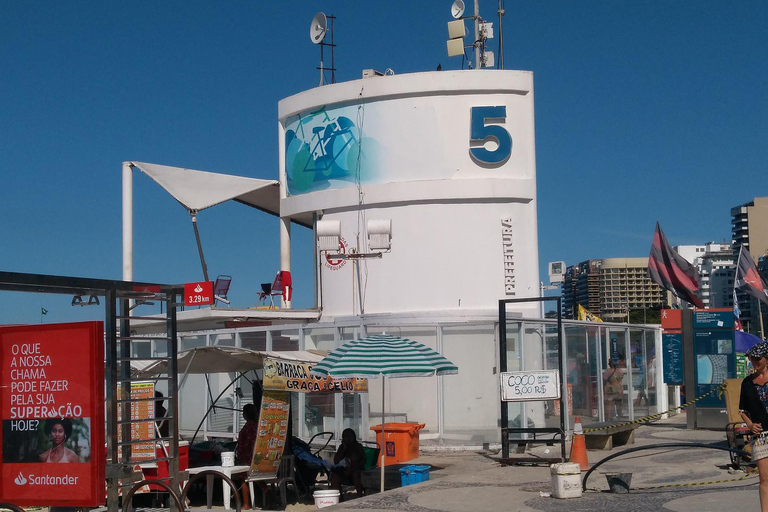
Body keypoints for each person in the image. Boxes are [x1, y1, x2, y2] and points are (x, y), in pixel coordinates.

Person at [740, 341, 768, 512]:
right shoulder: (747, 383)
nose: (755, 362)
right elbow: (742, 409)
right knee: (764, 477)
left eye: (758, 359)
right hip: (760, 435)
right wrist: (750, 424)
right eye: (752, 359)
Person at [234, 403, 261, 510]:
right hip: (258, 458)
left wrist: (242, 459)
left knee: (243, 479)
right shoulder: (258, 426)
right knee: (259, 478)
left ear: (245, 415)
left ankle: (246, 504)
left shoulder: (247, 428)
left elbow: (246, 445)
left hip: (248, 458)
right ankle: (270, 497)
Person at [330, 428, 366, 498]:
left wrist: (353, 469)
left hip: (357, 470)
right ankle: (339, 497)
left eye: (350, 436)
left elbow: (363, 460)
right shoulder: (342, 447)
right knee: (334, 476)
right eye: (346, 437)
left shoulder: (358, 446)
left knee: (356, 474)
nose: (348, 439)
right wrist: (344, 449)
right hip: (344, 471)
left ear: (354, 437)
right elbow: (336, 461)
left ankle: (359, 495)